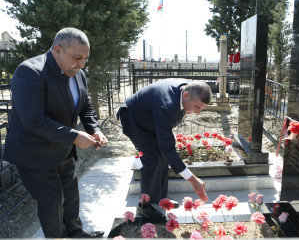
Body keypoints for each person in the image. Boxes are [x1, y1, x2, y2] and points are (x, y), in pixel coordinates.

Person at [3, 27, 108, 238]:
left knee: (70, 196)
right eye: (77, 57)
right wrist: (73, 136)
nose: (81, 64)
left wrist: (94, 129)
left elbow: (85, 106)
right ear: (58, 49)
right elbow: (33, 120)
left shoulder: (79, 73)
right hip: (35, 153)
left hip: (63, 150)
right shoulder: (30, 72)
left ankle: (76, 232)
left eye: (85, 58)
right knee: (52, 203)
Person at [117, 79, 211, 217]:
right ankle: (145, 206)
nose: (198, 112)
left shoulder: (190, 88)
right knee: (152, 159)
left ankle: (161, 200)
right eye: (197, 107)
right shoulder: (167, 106)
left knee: (162, 157)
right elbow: (167, 147)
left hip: (151, 117)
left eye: (201, 109)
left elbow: (165, 148)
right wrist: (193, 180)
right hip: (134, 119)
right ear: (185, 95)